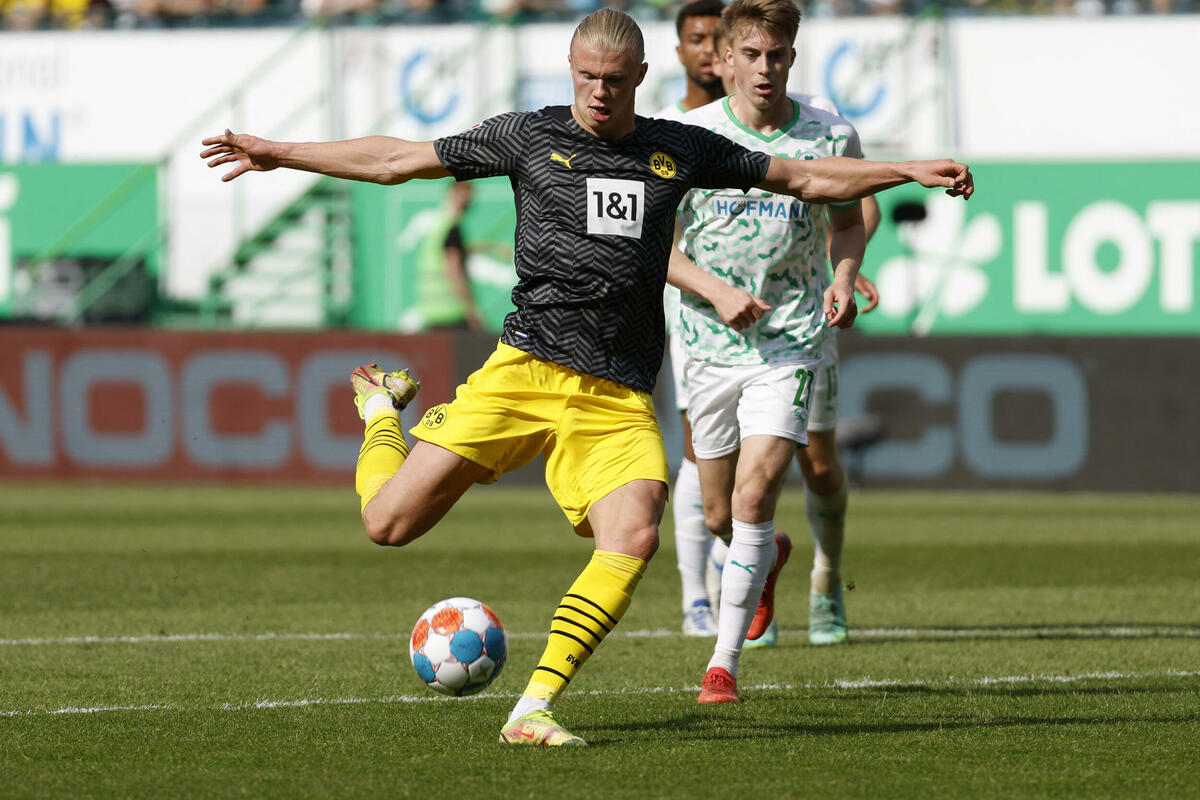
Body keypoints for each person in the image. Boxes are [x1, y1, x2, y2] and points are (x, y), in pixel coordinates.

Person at [201, 7, 972, 746]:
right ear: (571, 69)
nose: (599, 91)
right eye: (587, 76)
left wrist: (904, 170)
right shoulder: (528, 136)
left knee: (634, 533)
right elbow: (396, 160)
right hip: (524, 370)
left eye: (614, 78)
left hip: (616, 394)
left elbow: (805, 179)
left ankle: (533, 708)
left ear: (640, 74)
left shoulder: (678, 148)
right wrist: (281, 152)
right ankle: (380, 411)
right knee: (387, 524)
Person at [670, 0, 891, 702]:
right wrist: (714, 290)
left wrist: (844, 277)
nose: (765, 68)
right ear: (725, 60)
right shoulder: (687, 137)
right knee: (718, 515)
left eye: (777, 55)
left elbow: (851, 220)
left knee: (759, 491)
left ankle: (725, 663)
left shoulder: (830, 134)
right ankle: (766, 557)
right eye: (752, 55)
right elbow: (656, 246)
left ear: (792, 57)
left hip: (791, 339)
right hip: (708, 341)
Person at [651, 0, 730, 638]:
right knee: (699, 446)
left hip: (767, 307)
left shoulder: (754, 123)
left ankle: (735, 576)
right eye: (697, 39)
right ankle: (695, 596)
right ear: (680, 51)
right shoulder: (665, 127)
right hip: (692, 305)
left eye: (717, 38)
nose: (708, 50)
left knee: (753, 452)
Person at [415, 181, 485, 330]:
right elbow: (454, 271)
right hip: (451, 314)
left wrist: (490, 248)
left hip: (431, 312)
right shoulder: (452, 229)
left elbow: (453, 252)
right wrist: (472, 311)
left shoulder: (439, 225)